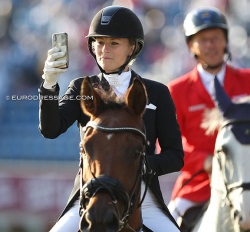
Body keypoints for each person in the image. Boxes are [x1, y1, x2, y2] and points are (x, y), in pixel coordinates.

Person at [39, 5, 184, 231]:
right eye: (99, 42)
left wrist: (140, 165)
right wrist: (49, 85)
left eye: (114, 43)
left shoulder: (157, 93)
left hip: (141, 197)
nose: (104, 49)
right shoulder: (81, 88)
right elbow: (50, 129)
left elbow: (175, 156)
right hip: (91, 196)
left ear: (132, 48)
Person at [167, 7, 250, 227]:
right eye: (203, 40)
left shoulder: (248, 80)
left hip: (245, 177)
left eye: (216, 38)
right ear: (191, 45)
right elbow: (166, 144)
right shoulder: (176, 91)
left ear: (225, 41)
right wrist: (205, 161)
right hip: (199, 183)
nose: (210, 45)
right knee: (164, 224)